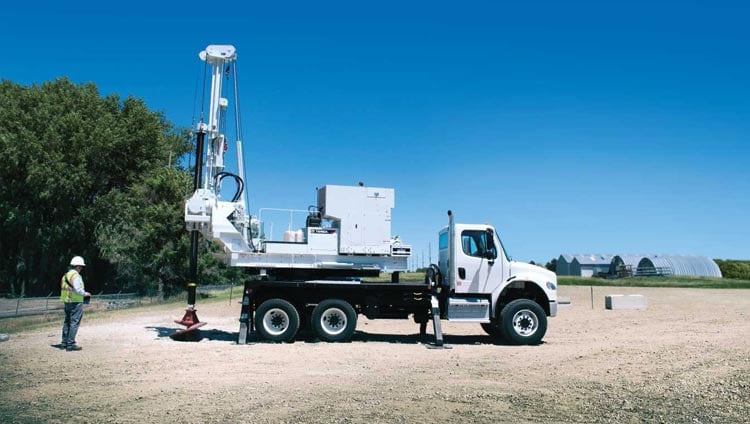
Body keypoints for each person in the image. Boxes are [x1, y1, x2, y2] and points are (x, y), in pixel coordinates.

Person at [59, 256, 91, 351]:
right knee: (74, 322)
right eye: (81, 266)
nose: (81, 268)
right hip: (75, 301)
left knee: (67, 321)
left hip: (67, 300)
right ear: (77, 266)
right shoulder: (76, 276)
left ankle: (64, 342)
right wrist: (86, 294)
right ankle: (71, 343)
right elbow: (77, 289)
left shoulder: (65, 276)